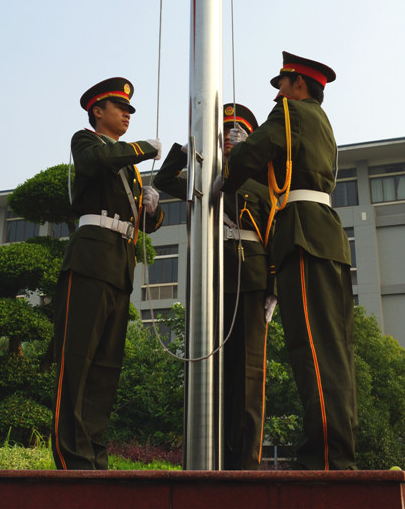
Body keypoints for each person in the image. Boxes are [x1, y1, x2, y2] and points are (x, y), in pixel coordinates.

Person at [221, 53, 358, 471]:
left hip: (301, 234)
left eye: (282, 84)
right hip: (325, 233)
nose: (278, 93)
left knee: (311, 347)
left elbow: (252, 156)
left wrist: (227, 172)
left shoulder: (291, 112)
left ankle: (326, 458)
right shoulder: (321, 121)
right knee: (335, 349)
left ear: (297, 85)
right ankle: (336, 450)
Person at [154, 103, 275, 470]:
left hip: (250, 279)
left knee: (248, 376)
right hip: (210, 281)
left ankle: (246, 464)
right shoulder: (204, 179)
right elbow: (162, 181)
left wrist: (275, 285)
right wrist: (192, 152)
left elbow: (276, 234)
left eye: (239, 131)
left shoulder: (263, 182)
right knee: (210, 375)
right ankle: (213, 458)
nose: (230, 137)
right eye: (224, 132)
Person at [52, 77, 163, 470]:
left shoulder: (125, 164)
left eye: (131, 111)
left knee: (106, 367)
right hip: (91, 258)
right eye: (121, 108)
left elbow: (145, 224)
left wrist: (152, 208)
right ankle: (71, 456)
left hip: (120, 263)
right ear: (98, 111)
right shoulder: (87, 142)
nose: (128, 114)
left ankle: (93, 452)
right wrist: (143, 149)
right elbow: (93, 163)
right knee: (78, 359)